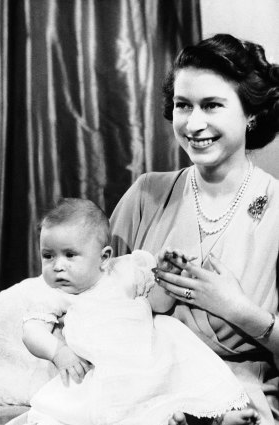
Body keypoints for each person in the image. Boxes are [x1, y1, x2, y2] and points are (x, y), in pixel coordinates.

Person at [110, 33, 279, 425]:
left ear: (250, 113)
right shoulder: (146, 194)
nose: (193, 123)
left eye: (212, 105)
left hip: (239, 404)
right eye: (183, 105)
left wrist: (239, 311)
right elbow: (93, 301)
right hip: (139, 394)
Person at [20, 198, 253, 425]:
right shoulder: (56, 292)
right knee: (102, 406)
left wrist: (164, 274)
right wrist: (58, 351)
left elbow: (160, 305)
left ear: (104, 257)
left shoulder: (125, 271)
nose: (57, 266)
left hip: (149, 354)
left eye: (70, 255)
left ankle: (215, 415)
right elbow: (31, 330)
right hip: (101, 368)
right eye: (48, 256)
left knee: (185, 375)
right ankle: (173, 419)